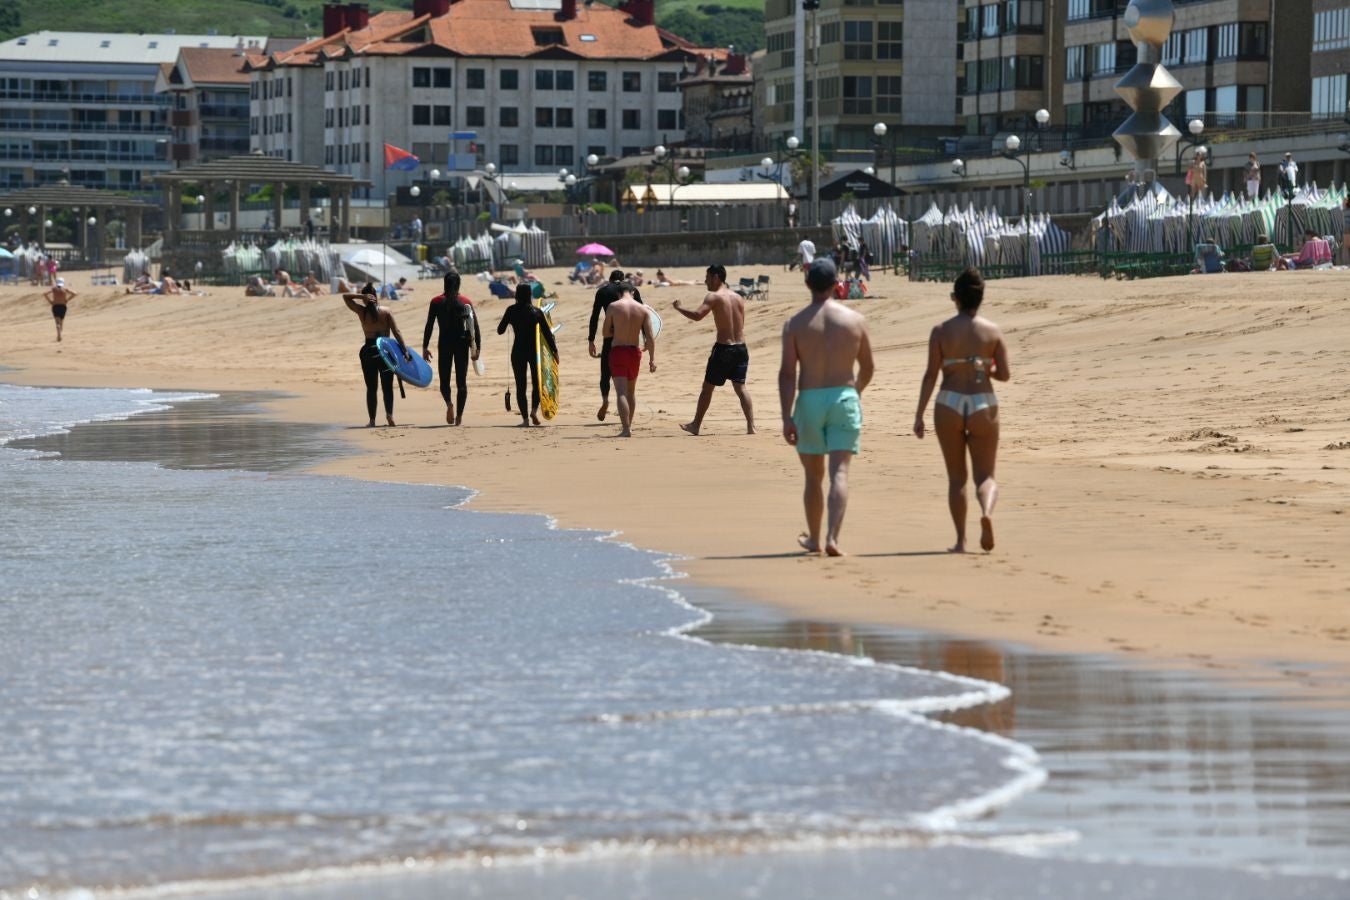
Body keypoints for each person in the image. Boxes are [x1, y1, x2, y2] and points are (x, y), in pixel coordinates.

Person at [778, 258, 873, 556]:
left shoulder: (795, 324)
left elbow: (787, 373)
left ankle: (815, 539)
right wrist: (853, 392)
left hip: (809, 399)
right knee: (840, 473)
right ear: (837, 285)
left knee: (812, 477)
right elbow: (868, 367)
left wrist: (786, 417)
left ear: (807, 283)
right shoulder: (855, 321)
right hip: (843, 397)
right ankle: (833, 538)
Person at [913, 267, 1010, 554]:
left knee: (957, 479)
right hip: (982, 402)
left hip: (949, 401)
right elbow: (1004, 374)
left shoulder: (941, 331)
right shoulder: (992, 332)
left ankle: (960, 541)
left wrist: (919, 414)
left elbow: (931, 375)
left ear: (955, 298)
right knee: (986, 477)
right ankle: (987, 513)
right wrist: (983, 366)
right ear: (980, 298)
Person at [674, 264, 755, 436]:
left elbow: (697, 316)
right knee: (741, 387)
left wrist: (679, 308)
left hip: (724, 349)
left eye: (707, 277)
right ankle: (751, 426)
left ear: (716, 277)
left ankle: (695, 425)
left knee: (708, 387)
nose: (705, 281)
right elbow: (741, 323)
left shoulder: (713, 296)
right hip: (741, 348)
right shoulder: (738, 297)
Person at [343, 282, 409, 427]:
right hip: (385, 351)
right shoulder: (386, 311)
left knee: (371, 388)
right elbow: (397, 332)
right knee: (387, 386)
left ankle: (372, 420)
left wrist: (361, 296)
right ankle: (389, 415)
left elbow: (345, 297)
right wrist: (404, 351)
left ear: (364, 299)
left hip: (369, 351)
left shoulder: (362, 312)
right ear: (376, 296)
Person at [423, 271, 481, 425]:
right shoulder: (465, 302)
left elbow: (429, 325)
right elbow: (475, 326)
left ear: (444, 283)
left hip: (444, 343)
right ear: (459, 284)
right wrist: (477, 349)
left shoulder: (436, 301)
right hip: (462, 344)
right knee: (461, 383)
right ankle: (459, 417)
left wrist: (425, 347)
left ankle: (449, 404)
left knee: (444, 381)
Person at [497, 282, 558, 427]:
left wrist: (511, 322)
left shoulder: (511, 310)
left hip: (517, 351)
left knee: (521, 386)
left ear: (517, 294)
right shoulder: (536, 312)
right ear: (530, 294)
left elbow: (500, 330)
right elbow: (548, 334)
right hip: (533, 352)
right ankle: (534, 411)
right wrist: (555, 351)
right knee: (537, 384)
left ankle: (525, 420)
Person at [602, 282, 657, 437]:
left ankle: (625, 429)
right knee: (631, 392)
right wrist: (652, 359)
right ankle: (629, 426)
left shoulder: (613, 306)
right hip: (635, 352)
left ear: (619, 294)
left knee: (621, 392)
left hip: (618, 351)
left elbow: (605, 332)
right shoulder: (643, 309)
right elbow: (650, 337)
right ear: (632, 292)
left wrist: (617, 330)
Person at [588, 269, 641, 421]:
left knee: (605, 373)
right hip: (629, 338)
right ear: (623, 279)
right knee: (628, 379)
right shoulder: (632, 290)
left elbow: (594, 316)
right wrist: (644, 337)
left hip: (609, 336)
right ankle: (628, 418)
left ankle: (605, 400)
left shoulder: (603, 291)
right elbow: (643, 312)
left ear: (610, 280)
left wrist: (591, 340)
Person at [43, 277, 75, 342]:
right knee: (62, 321)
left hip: (55, 306)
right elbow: (74, 293)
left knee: (57, 321)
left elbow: (45, 294)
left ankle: (58, 332)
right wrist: (67, 299)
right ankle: (60, 333)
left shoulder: (54, 289)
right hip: (63, 306)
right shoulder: (65, 289)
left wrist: (50, 301)